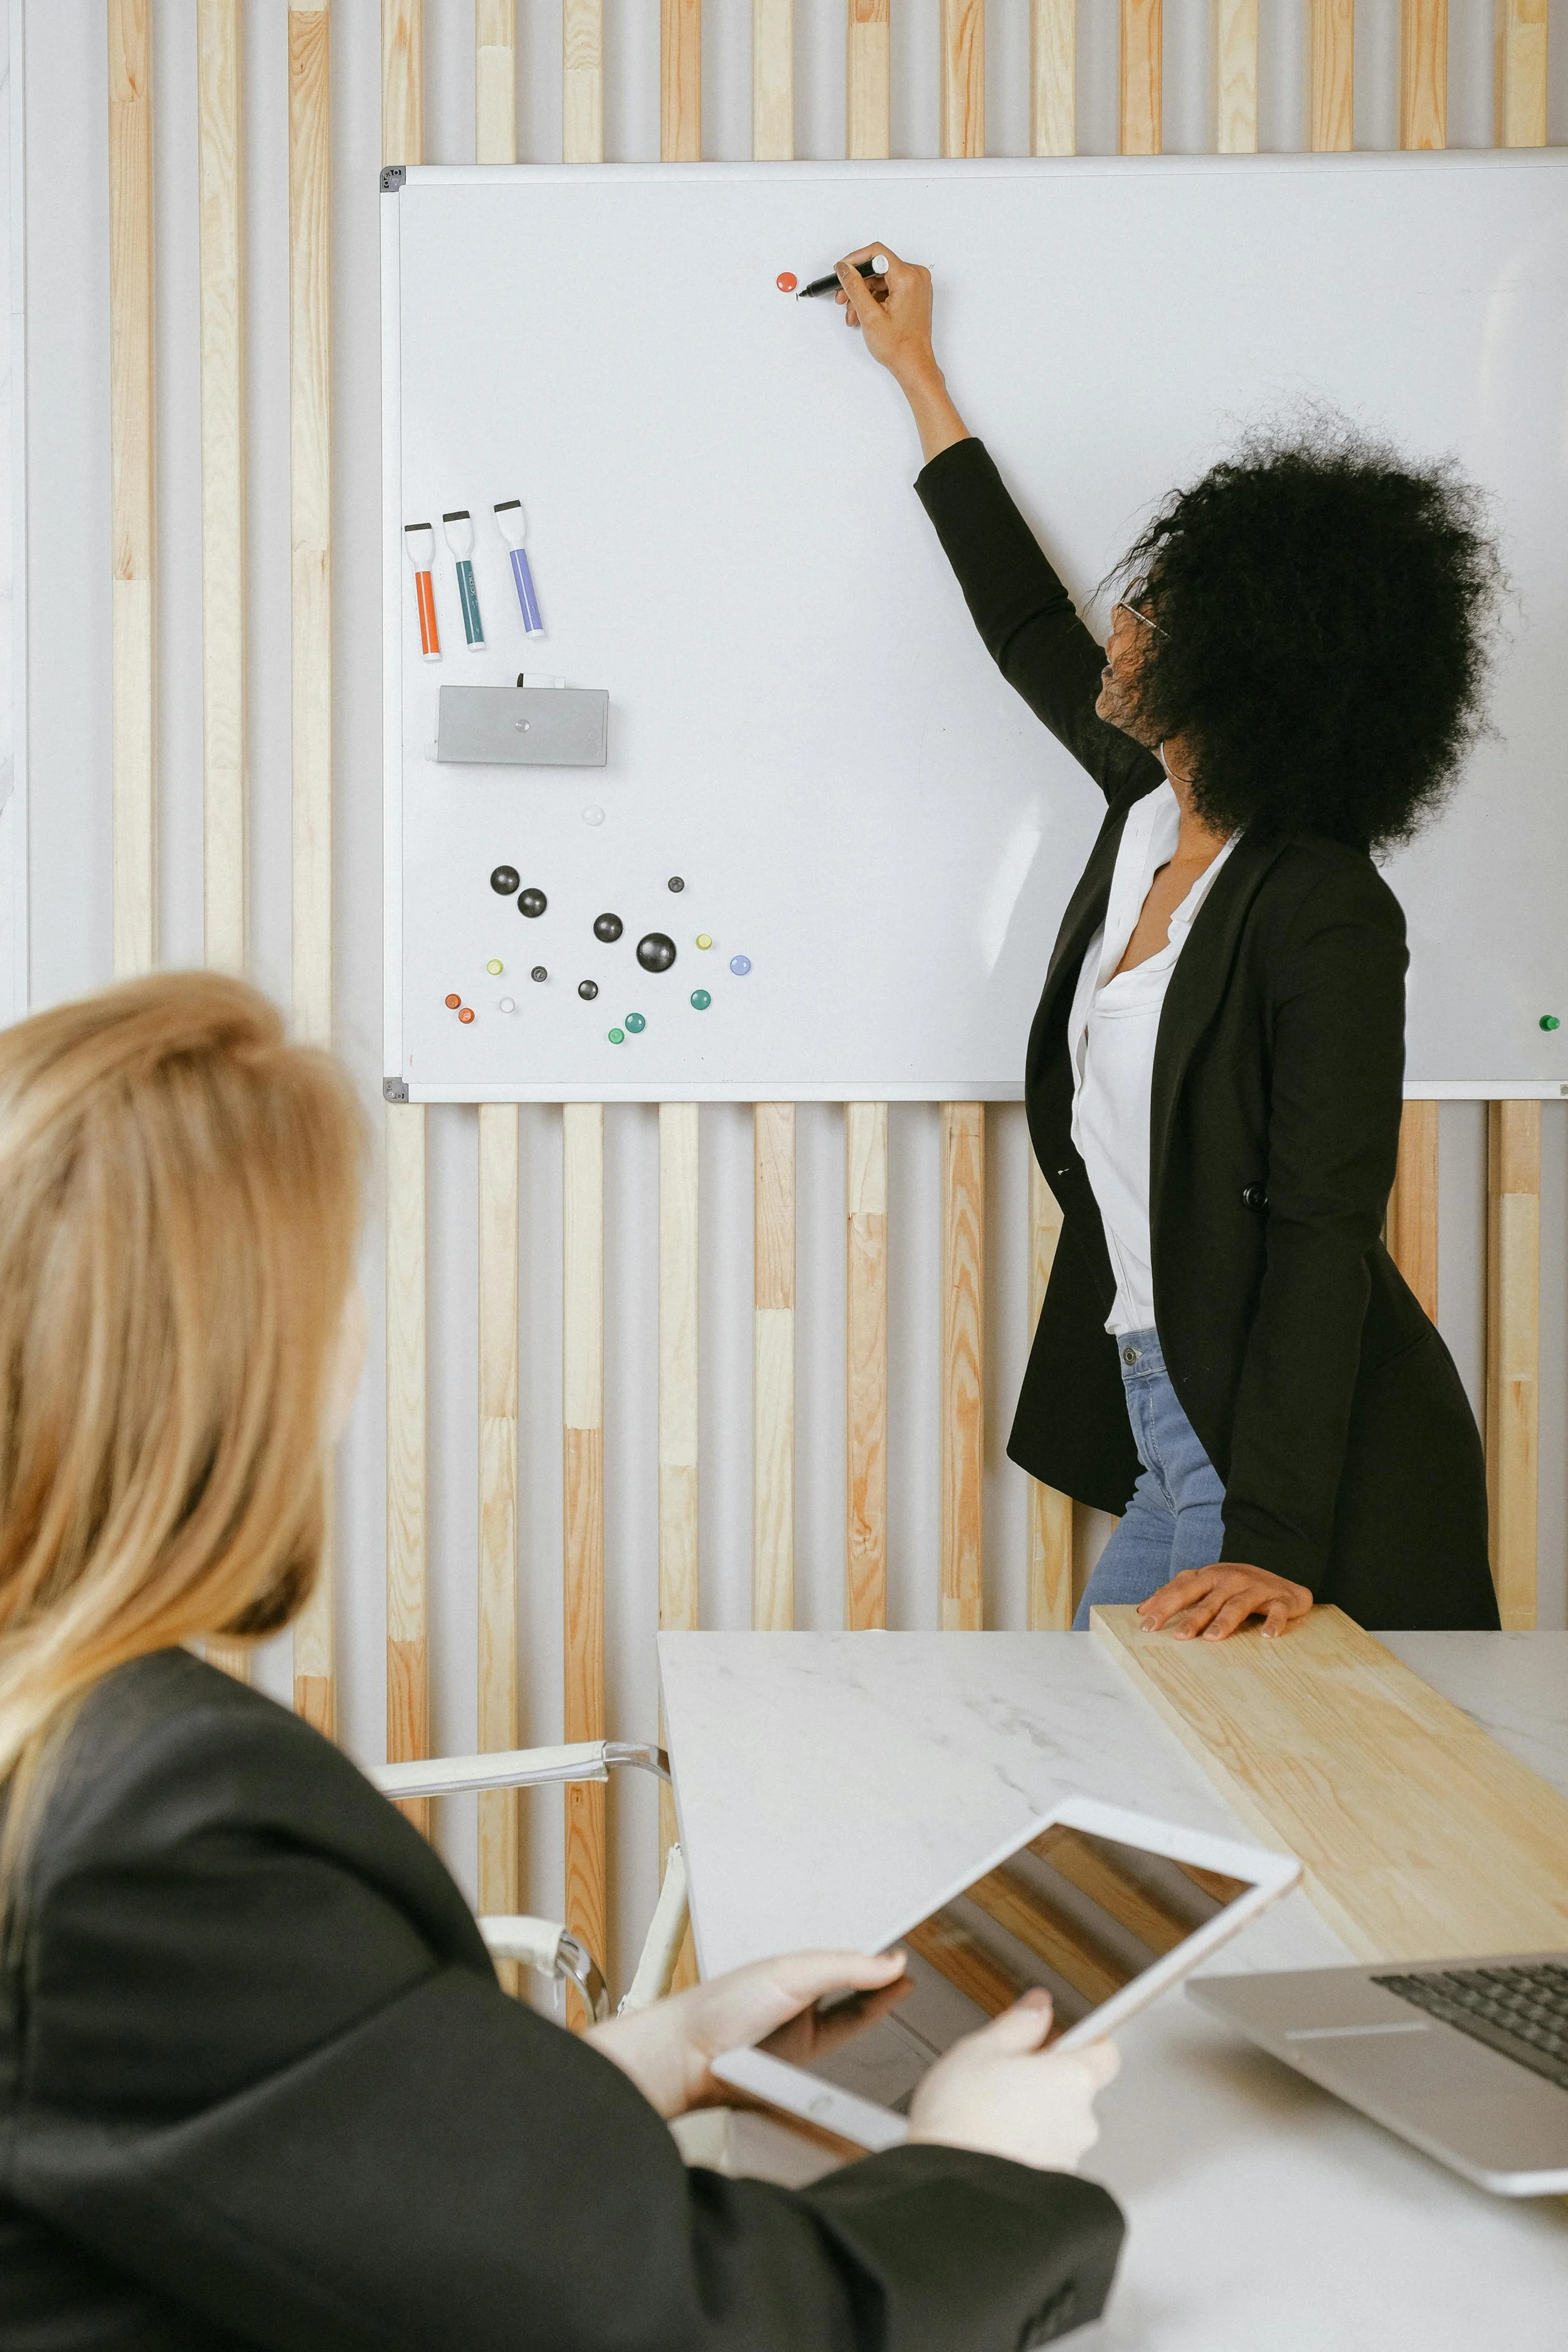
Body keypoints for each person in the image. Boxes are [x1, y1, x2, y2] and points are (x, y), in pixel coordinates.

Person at [0, 972, 1125, 2349]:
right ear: (244, 1362)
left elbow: (249, 2145)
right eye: (334, 1285)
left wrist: (652, 2060)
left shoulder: (65, 1751)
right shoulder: (158, 1827)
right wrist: (977, 2168)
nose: (354, 1339)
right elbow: (685, 2329)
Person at [830, 245, 1503, 1640]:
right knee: (1147, 1782)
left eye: (1152, 614)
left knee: (1173, 1791)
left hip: (1274, 1460)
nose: (1119, 626)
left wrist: (1265, 1540)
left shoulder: (1317, 906)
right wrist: (916, 376)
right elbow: (1019, 617)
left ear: (1239, 667)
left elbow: (1322, 1230)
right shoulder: (1144, 810)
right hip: (1163, 1414)